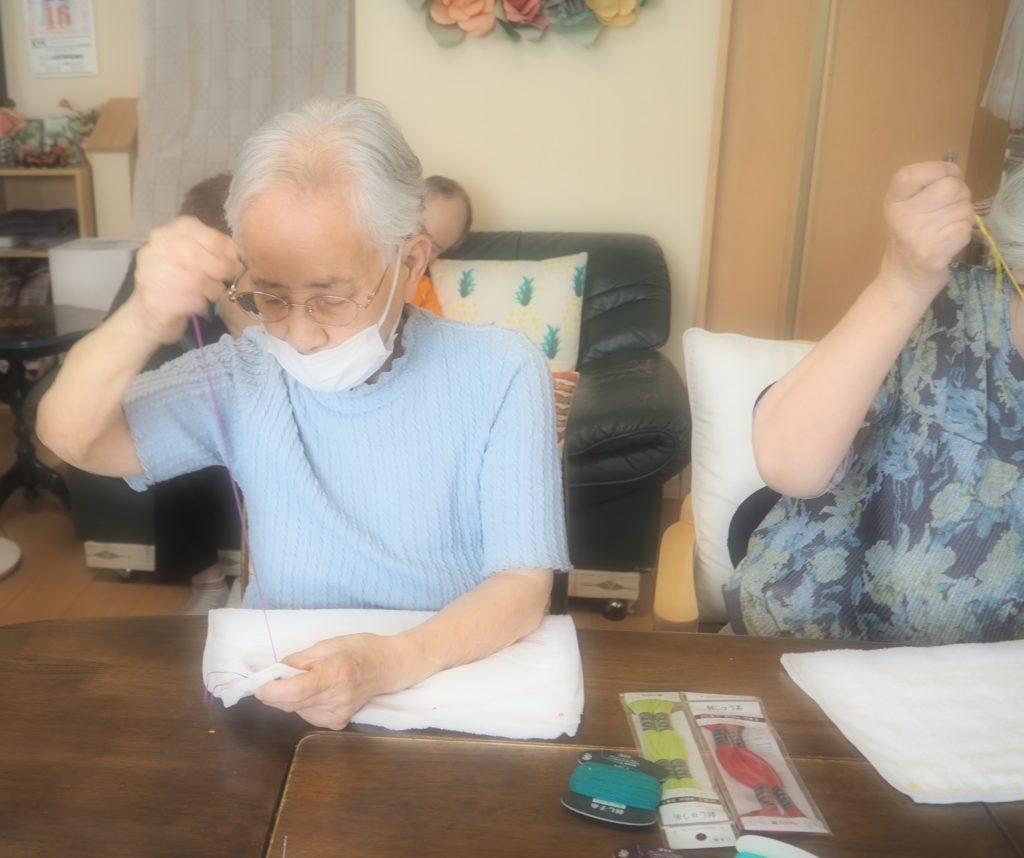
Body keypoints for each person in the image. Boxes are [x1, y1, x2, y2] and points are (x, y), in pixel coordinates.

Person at [37, 96, 568, 730]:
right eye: (270, 297)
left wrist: (387, 663)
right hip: (286, 694)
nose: (299, 335)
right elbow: (72, 436)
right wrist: (143, 316)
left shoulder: (501, 370)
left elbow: (522, 587)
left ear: (411, 263)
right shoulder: (247, 371)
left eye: (331, 299)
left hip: (452, 688)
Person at [724, 160, 1024, 645]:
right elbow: (788, 463)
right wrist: (901, 283)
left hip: (985, 683)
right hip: (799, 648)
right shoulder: (946, 308)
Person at [105, 172, 255, 612]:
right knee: (166, 455)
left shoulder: (259, 277)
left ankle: (254, 581)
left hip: (239, 398)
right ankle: (207, 579)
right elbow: (123, 351)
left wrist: (236, 310)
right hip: (176, 397)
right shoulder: (153, 269)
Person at [410, 174, 473, 315]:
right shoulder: (365, 257)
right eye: (419, 229)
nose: (419, 249)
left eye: (434, 248)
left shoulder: (424, 293)